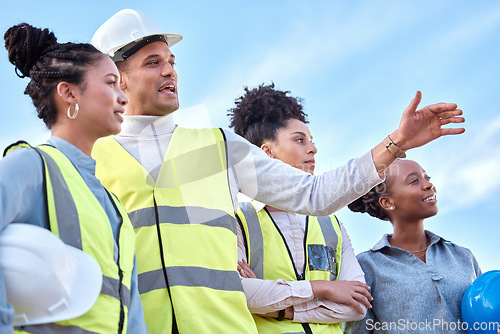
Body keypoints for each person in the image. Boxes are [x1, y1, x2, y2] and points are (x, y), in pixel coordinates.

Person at [90, 8, 465, 334]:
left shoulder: (217, 146)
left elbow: (314, 194)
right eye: (153, 63)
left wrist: (396, 142)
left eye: (172, 62)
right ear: (117, 77)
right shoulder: (93, 157)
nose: (170, 71)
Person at [0, 23, 148, 333]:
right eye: (111, 83)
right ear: (68, 92)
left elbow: (131, 312)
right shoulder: (29, 165)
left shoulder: (114, 205)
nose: (123, 97)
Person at [229, 83, 372, 333]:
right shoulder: (237, 218)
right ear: (267, 152)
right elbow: (243, 293)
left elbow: (357, 305)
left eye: (311, 141)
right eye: (299, 140)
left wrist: (281, 308)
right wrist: (323, 288)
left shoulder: (332, 224)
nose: (313, 148)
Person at [344, 159, 481, 334]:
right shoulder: (367, 266)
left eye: (427, 177)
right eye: (414, 181)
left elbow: (484, 315)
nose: (429, 185)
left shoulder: (463, 256)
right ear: (388, 202)